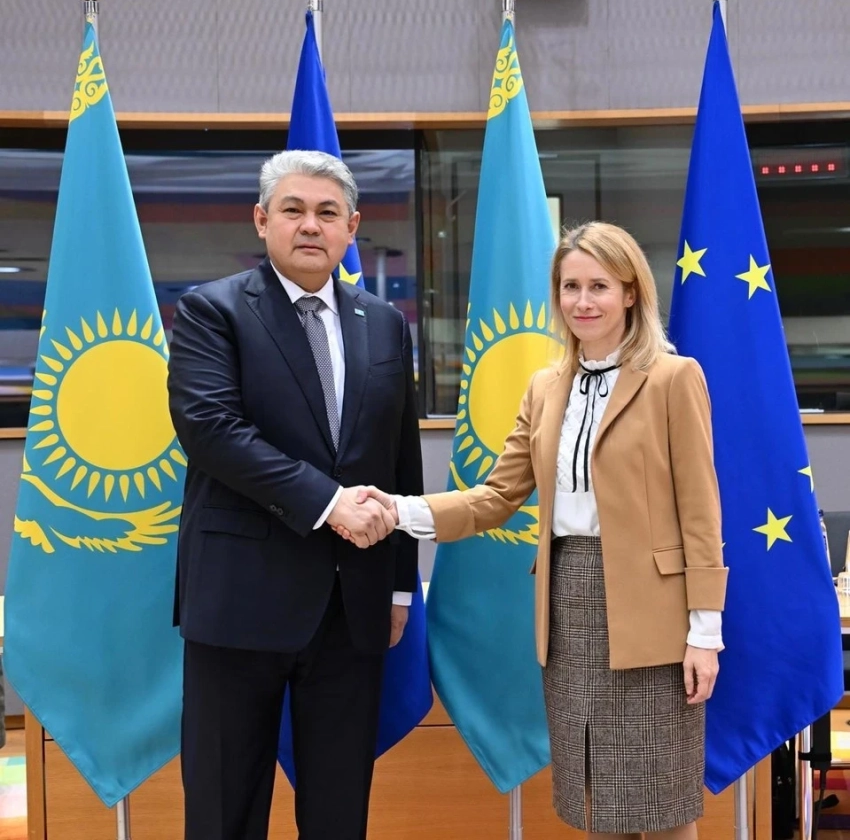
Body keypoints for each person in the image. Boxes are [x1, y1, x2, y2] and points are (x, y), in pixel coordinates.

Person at [341, 222, 728, 839]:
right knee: (595, 796)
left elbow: (700, 512)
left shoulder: (674, 378)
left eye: (599, 286)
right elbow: (496, 497)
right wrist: (399, 510)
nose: (583, 301)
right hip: (568, 601)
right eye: (570, 286)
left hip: (654, 612)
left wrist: (704, 633)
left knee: (659, 800)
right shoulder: (546, 387)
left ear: (631, 292)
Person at [167, 149, 423, 840]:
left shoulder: (384, 323)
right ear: (262, 220)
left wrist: (400, 587)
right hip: (239, 600)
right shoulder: (212, 311)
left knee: (340, 811)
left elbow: (399, 459)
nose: (311, 225)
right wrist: (330, 504)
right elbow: (212, 431)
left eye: (328, 213)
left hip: (353, 605)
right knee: (225, 808)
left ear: (351, 228)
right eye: (294, 210)